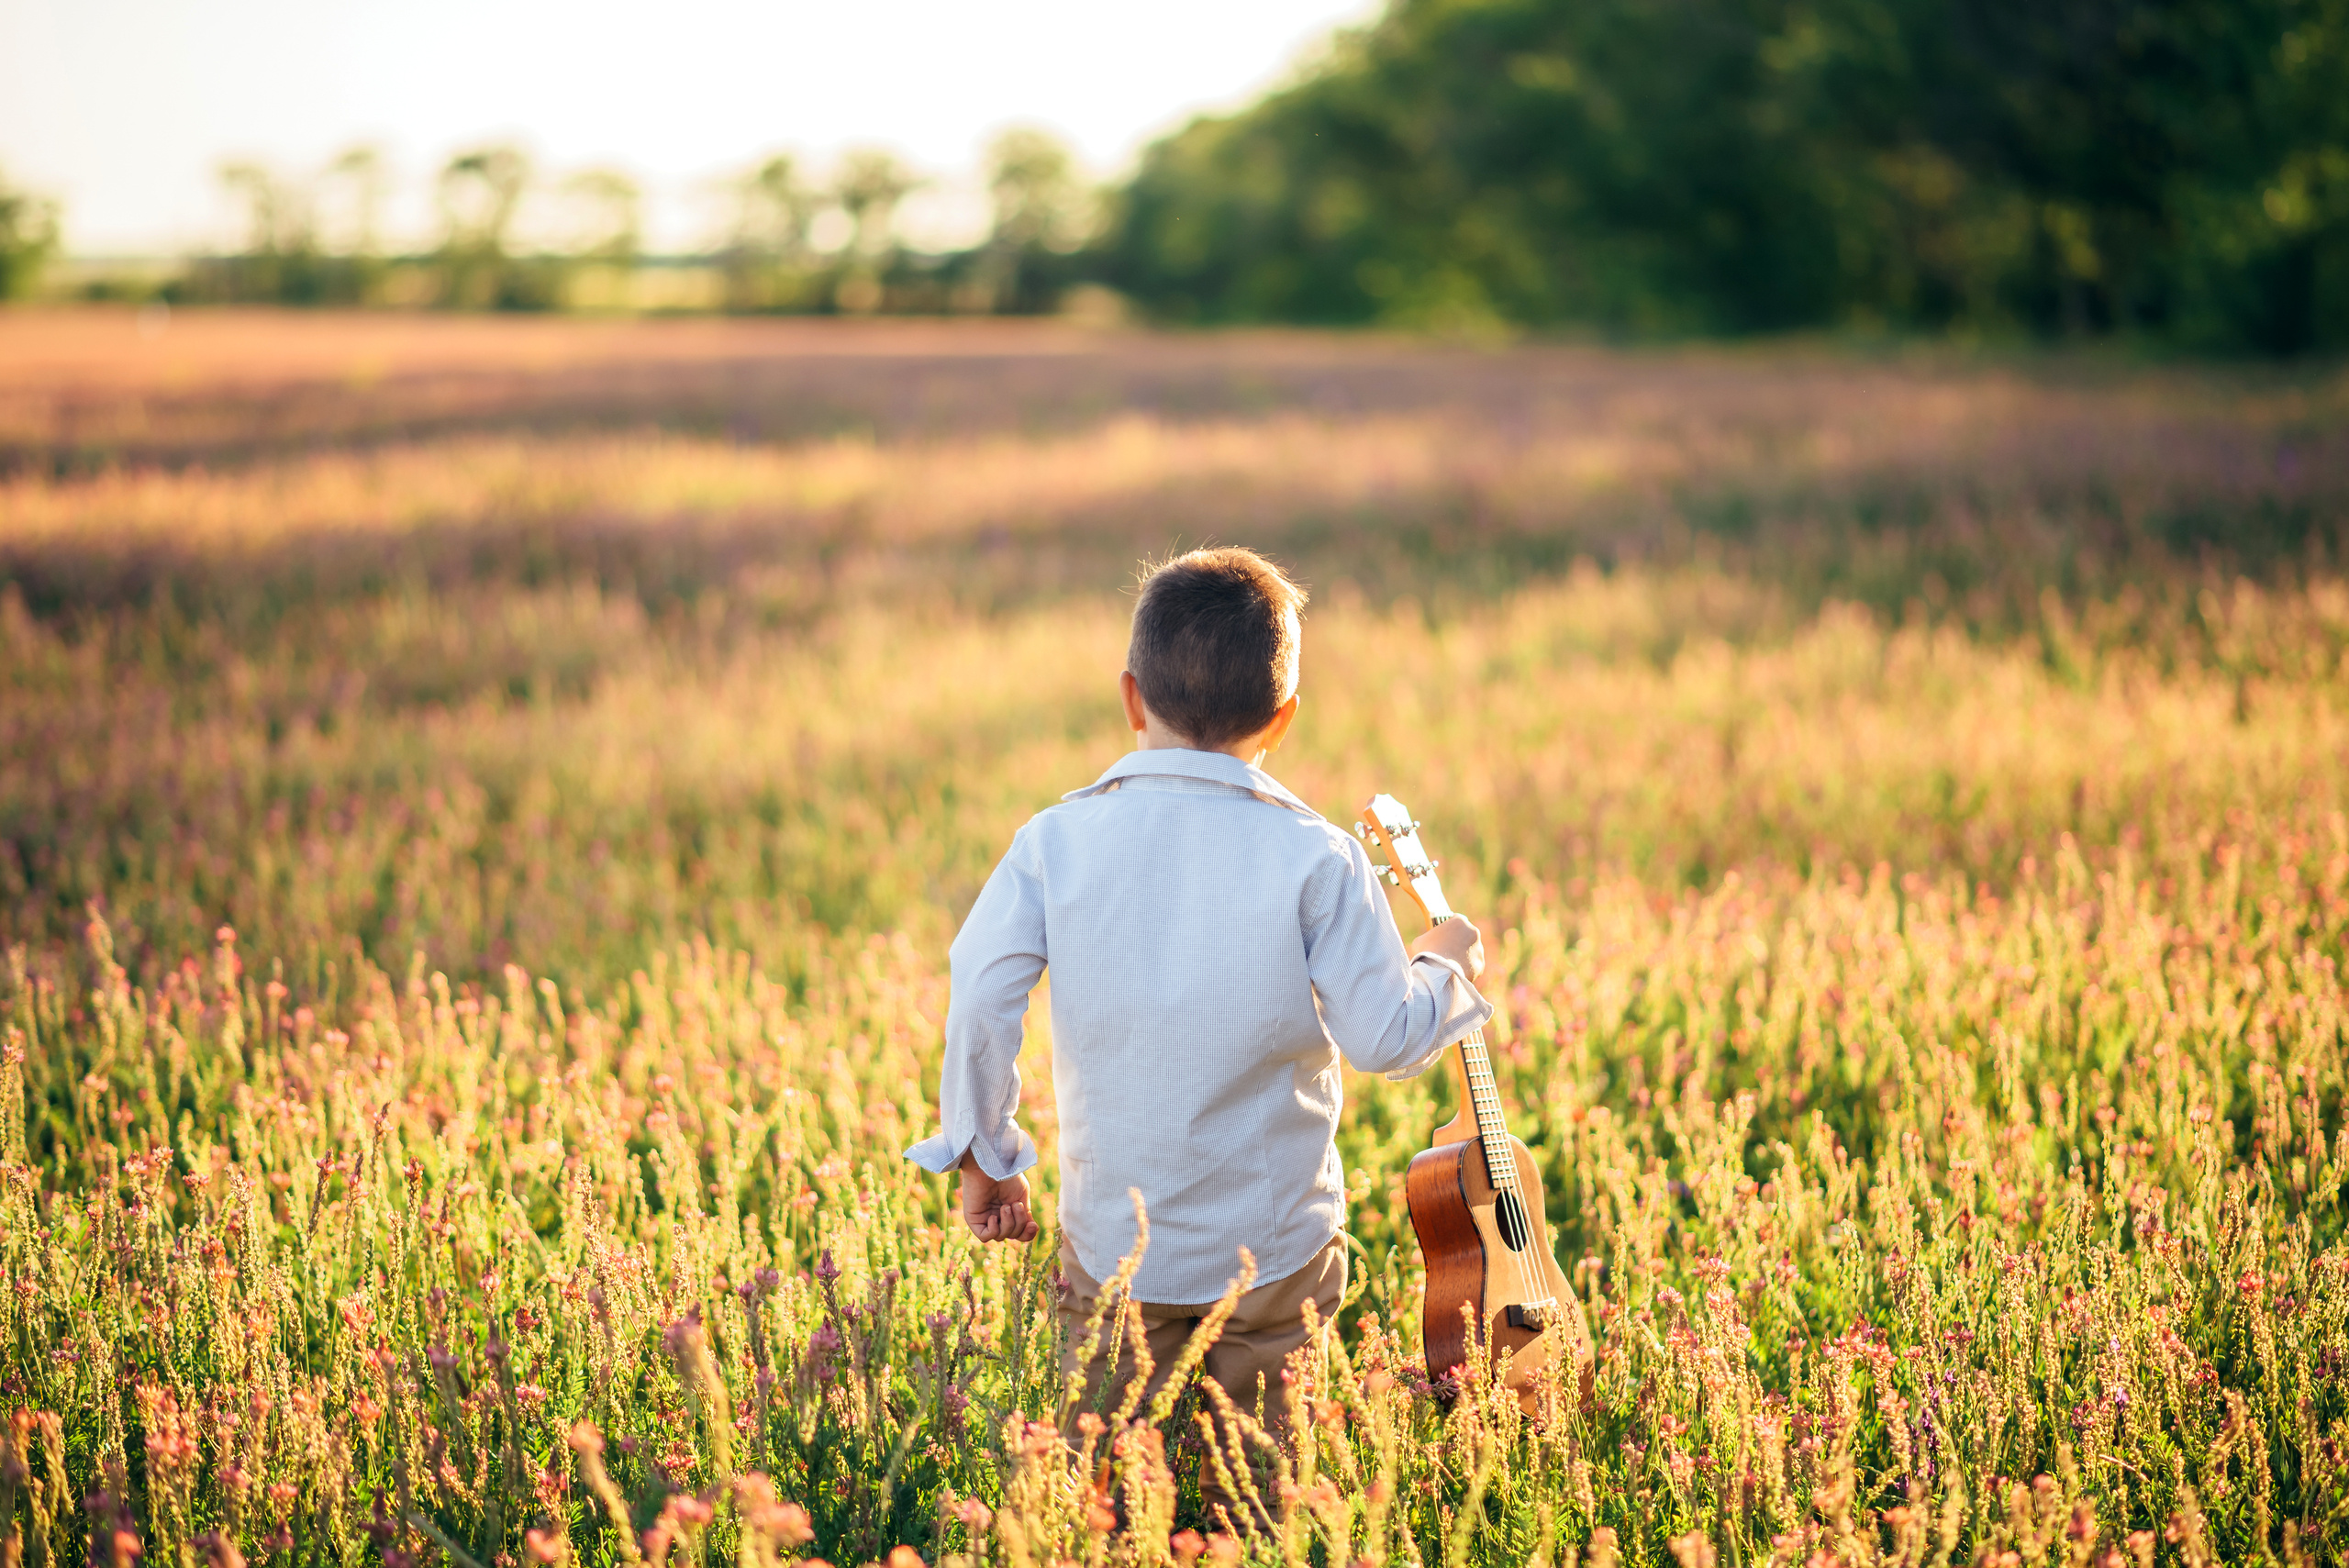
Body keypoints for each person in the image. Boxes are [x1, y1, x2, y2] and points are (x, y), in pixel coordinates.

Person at [903, 546, 1491, 1497]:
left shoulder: (1055, 840)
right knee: (1263, 1487)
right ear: (1284, 717)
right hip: (1277, 1249)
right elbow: (1385, 1037)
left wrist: (985, 1153)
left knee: (1093, 1490)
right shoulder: (1319, 856)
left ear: (1131, 697)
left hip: (1113, 1244)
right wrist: (1445, 966)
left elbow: (980, 991)